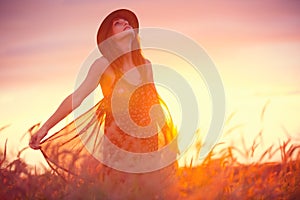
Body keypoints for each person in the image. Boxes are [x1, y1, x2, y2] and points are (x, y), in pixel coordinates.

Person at [29, 9, 179, 199]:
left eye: (128, 22)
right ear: (109, 37)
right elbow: (78, 96)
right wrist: (45, 128)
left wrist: (170, 143)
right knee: (118, 191)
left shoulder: (145, 65)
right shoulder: (103, 64)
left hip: (147, 142)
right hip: (118, 141)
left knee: (146, 192)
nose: (126, 23)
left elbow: (154, 103)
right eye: (118, 23)